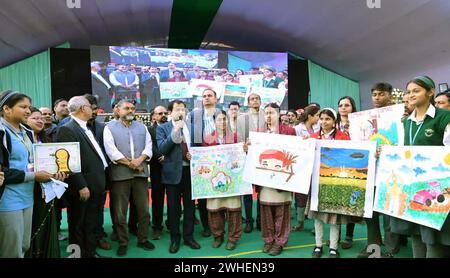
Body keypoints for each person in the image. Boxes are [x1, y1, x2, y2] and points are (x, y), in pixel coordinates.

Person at [391, 76, 450, 258]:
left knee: (434, 237)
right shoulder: (407, 121)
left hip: (437, 187)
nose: (411, 95)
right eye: (409, 92)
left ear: (430, 92)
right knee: (416, 233)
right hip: (413, 187)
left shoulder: (444, 117)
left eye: (416, 91)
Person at [0, 91, 54, 258]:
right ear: (6, 109)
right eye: (23, 107)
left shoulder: (27, 132)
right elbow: (3, 172)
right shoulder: (1, 132)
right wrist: (35, 176)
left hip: (27, 197)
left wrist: (53, 173)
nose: (28, 111)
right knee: (11, 250)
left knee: (24, 245)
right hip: (8, 199)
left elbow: (32, 163)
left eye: (29, 107)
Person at [56, 96, 109, 258]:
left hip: (95, 184)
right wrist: (81, 185)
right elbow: (69, 162)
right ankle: (77, 255)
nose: (92, 109)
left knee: (90, 223)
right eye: (89, 106)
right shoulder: (68, 129)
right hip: (83, 187)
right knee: (77, 224)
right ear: (82, 109)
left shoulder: (84, 127)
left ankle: (90, 252)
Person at [103, 99, 154, 257]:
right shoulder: (109, 127)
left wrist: (139, 161)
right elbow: (111, 151)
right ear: (117, 110)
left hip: (140, 174)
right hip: (120, 175)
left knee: (144, 210)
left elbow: (149, 146)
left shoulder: (142, 127)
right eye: (126, 108)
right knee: (120, 213)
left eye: (133, 108)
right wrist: (131, 164)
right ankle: (123, 241)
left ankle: (143, 239)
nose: (130, 111)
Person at [358, 82, 400, 258]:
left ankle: (390, 248)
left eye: (381, 94)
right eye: (374, 94)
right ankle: (373, 245)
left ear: (390, 95)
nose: (377, 97)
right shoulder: (363, 119)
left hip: (391, 172)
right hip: (370, 171)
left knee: (389, 211)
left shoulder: (399, 116)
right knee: (370, 212)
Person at [156, 100, 200, 254]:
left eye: (183, 109)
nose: (181, 112)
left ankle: (189, 237)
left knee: (189, 207)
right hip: (172, 174)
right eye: (177, 109)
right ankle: (175, 239)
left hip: (190, 173)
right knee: (174, 209)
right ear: (170, 112)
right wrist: (175, 131)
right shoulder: (163, 128)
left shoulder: (194, 128)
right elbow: (162, 149)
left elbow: (199, 149)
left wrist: (192, 155)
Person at [252, 103, 296, 256]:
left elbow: (296, 154)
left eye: (272, 113)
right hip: (264, 181)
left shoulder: (290, 131)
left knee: (282, 213)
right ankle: (268, 239)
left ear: (279, 114)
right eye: (266, 113)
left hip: (283, 181)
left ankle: (280, 241)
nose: (269, 116)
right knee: (266, 212)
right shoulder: (258, 133)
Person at [309, 108, 352, 259]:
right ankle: (318, 245)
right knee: (318, 216)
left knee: (335, 217)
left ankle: (333, 247)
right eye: (321, 119)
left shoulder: (343, 137)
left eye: (328, 119)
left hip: (336, 182)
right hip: (317, 183)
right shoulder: (313, 137)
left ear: (334, 121)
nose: (324, 122)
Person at [25, 107, 67, 258]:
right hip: (28, 192)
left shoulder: (47, 141)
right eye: (35, 118)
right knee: (31, 228)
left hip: (47, 192)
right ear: (25, 119)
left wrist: (59, 175)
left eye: (41, 118)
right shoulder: (21, 142)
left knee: (46, 226)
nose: (40, 120)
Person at [203, 110, 241, 251]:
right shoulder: (207, 139)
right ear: (214, 122)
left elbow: (241, 156)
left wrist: (244, 149)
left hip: (232, 180)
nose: (222, 122)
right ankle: (218, 236)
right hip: (214, 180)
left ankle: (233, 238)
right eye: (219, 119)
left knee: (234, 210)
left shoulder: (236, 137)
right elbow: (203, 159)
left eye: (224, 119)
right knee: (214, 209)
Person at [189, 89, 221, 238]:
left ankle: (219, 223)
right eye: (204, 96)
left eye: (210, 96)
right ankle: (206, 226)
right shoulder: (194, 116)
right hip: (201, 160)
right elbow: (188, 137)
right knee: (203, 195)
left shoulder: (222, 115)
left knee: (220, 190)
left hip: (221, 160)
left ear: (216, 99)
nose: (207, 98)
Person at [237, 93, 266, 233]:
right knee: (247, 191)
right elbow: (239, 139)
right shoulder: (241, 118)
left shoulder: (267, 115)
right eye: (252, 99)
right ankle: (249, 220)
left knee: (262, 191)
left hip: (263, 159)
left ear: (260, 101)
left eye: (257, 98)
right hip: (247, 157)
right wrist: (245, 145)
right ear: (248, 103)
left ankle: (261, 219)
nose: (255, 100)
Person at [335, 96, 359, 249]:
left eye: (347, 105)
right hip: (336, 168)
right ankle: (335, 235)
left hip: (355, 168)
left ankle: (349, 236)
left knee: (351, 203)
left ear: (352, 107)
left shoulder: (359, 124)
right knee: (337, 202)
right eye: (340, 105)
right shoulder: (332, 123)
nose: (343, 108)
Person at [291, 105, 320, 232]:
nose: (319, 118)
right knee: (301, 195)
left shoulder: (319, 128)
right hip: (302, 166)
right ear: (310, 116)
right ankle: (300, 221)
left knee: (315, 194)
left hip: (316, 165)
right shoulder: (297, 129)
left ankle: (315, 224)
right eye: (317, 115)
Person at [148, 106, 169, 240]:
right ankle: (157, 227)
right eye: (160, 113)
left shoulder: (173, 127)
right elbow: (150, 145)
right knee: (157, 199)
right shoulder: (149, 130)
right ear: (153, 116)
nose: (163, 115)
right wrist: (160, 157)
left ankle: (172, 223)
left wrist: (168, 157)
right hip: (157, 169)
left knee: (174, 199)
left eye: (165, 113)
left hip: (172, 168)